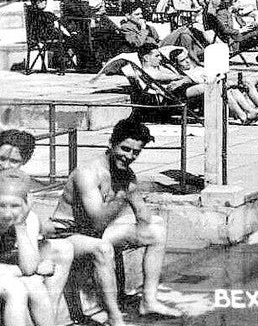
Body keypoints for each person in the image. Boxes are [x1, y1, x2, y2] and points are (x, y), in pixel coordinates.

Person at [46, 118, 181, 324]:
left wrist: (142, 226)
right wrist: (120, 197)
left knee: (157, 230)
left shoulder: (126, 174)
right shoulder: (89, 173)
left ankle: (149, 301)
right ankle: (115, 318)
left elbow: (142, 213)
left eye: (136, 152)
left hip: (94, 232)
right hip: (67, 234)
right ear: (111, 143)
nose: (129, 156)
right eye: (125, 149)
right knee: (103, 249)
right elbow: (98, 221)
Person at [0, 171, 56, 326]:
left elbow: (29, 267)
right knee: (15, 288)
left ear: (26, 204)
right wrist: (19, 271)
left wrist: (20, 225)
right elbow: (27, 269)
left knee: (35, 285)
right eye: (1, 205)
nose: (7, 213)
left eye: (15, 205)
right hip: (8, 277)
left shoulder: (28, 219)